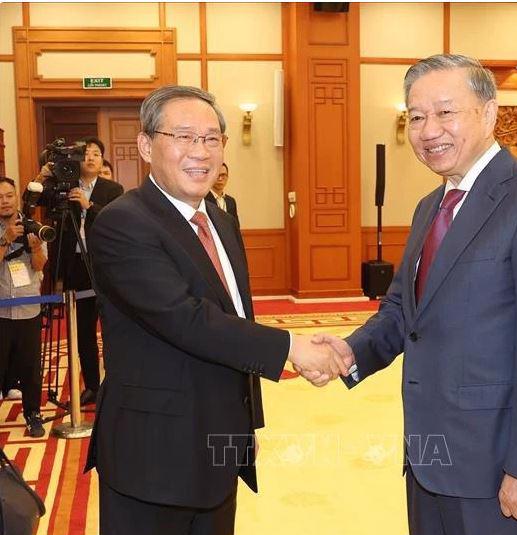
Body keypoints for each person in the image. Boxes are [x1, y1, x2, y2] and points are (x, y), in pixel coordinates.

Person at [305, 54, 517, 535]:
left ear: (489, 113)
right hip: (428, 456)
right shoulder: (429, 206)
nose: (428, 129)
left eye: (445, 112)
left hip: (496, 467)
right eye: (416, 117)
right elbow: (402, 311)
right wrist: (351, 352)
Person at [84, 85, 347, 535]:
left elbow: (236, 321)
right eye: (184, 137)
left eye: (211, 139)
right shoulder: (122, 222)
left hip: (218, 447)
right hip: (153, 457)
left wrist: (247, 428)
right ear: (147, 145)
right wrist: (292, 346)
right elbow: (185, 318)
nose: (200, 152)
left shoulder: (220, 220)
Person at [38, 137, 124, 406]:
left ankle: (117, 383)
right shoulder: (66, 186)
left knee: (113, 328)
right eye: (86, 154)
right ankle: (93, 388)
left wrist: (89, 207)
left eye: (96, 154)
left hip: (105, 267)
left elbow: (118, 224)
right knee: (83, 330)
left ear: (102, 161)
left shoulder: (113, 189)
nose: (90, 158)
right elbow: (36, 198)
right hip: (76, 267)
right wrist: (42, 175)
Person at [0, 176, 48, 437]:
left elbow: (40, 266)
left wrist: (36, 248)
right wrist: (5, 239)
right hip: (0, 312)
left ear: (17, 196)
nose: (5, 201)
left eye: (9, 195)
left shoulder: (34, 226)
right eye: (0, 197)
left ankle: (33, 414)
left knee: (30, 367)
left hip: (29, 308)